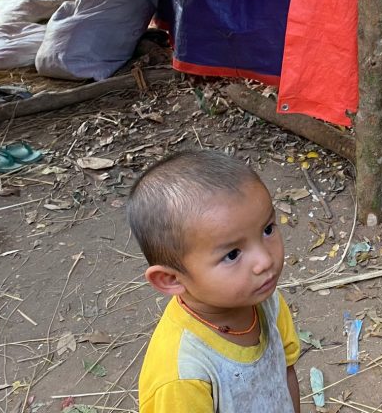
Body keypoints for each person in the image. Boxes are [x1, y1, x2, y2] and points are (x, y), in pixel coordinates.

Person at [127, 150, 301, 413]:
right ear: (171, 279)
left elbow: (285, 371)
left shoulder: (267, 301)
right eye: (232, 254)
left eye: (267, 230)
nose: (264, 260)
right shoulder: (181, 375)